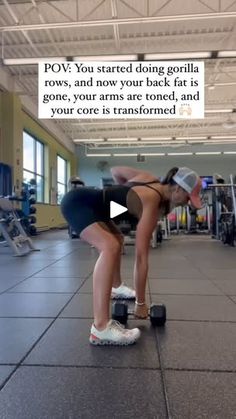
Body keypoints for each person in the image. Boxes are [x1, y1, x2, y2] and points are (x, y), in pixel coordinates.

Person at [61, 166, 202, 346]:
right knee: (109, 246)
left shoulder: (149, 177)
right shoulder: (151, 201)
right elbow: (141, 257)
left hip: (93, 204)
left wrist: (124, 195)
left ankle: (116, 287)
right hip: (78, 203)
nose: (187, 203)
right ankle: (101, 328)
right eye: (188, 198)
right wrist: (141, 303)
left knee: (117, 239)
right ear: (178, 189)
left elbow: (116, 171)